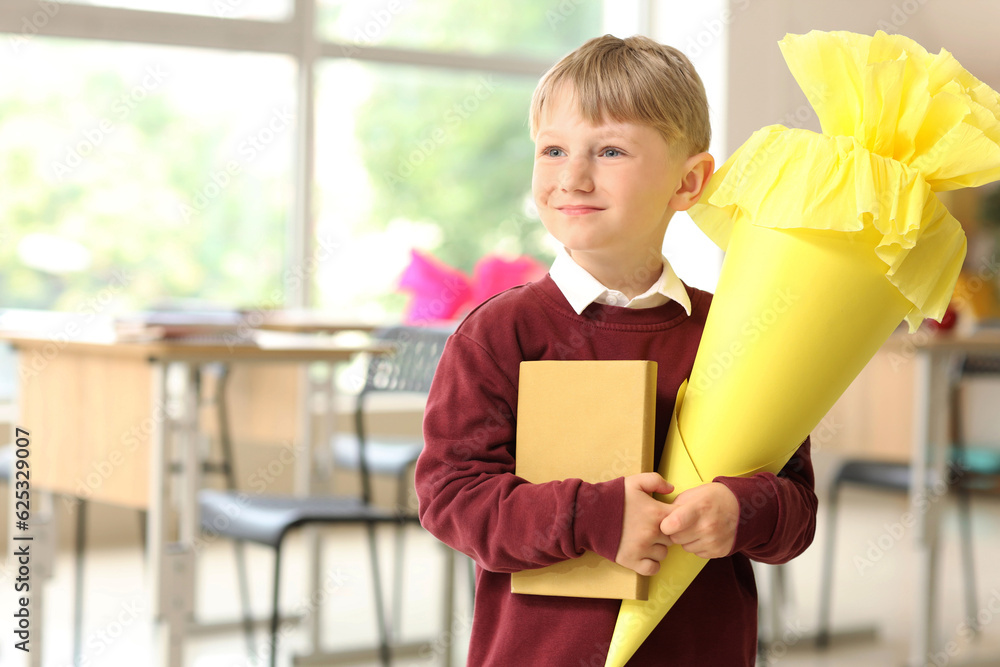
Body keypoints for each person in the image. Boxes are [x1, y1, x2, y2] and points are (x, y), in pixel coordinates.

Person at [414, 34, 817, 666]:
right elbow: (450, 498)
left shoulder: (735, 330)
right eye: (553, 150)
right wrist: (591, 516)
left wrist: (743, 511)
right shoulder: (500, 333)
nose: (572, 176)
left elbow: (797, 508)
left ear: (688, 182)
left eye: (609, 150)